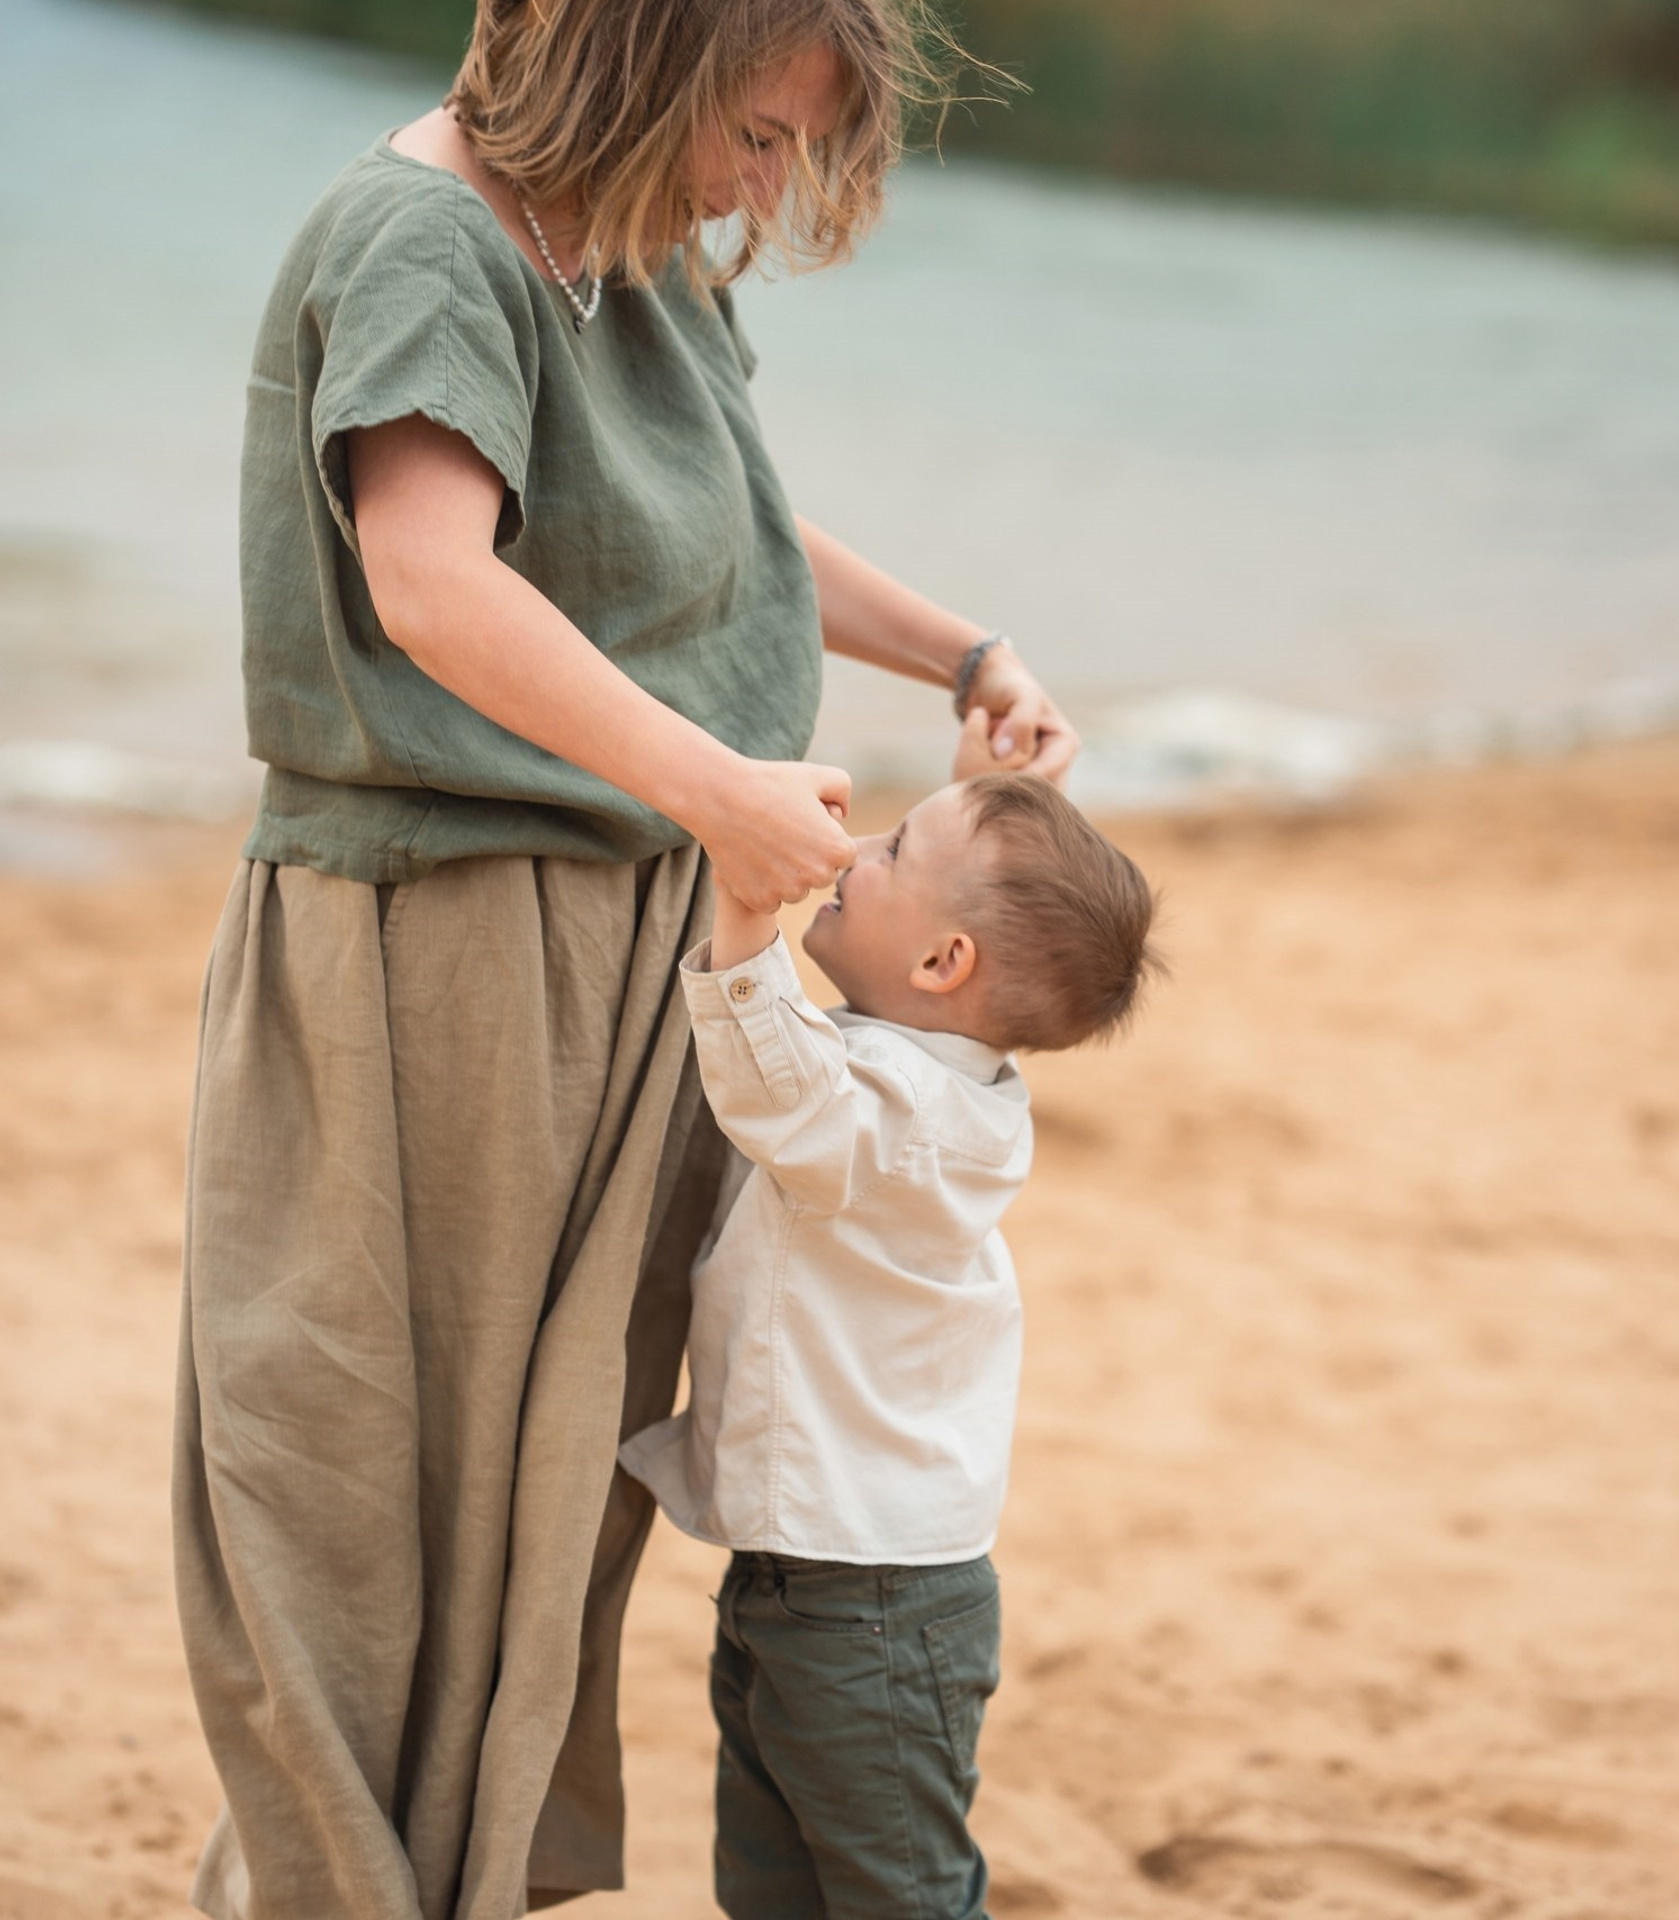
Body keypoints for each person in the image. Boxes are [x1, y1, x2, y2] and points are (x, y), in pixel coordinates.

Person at [170, 3, 1080, 1916]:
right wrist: (723, 794)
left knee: (546, 1492)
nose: (765, 186)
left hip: (630, 933)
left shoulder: (624, 246)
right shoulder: (429, 243)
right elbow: (430, 582)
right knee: (371, 1488)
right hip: (448, 938)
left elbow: (734, 527)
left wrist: (964, 653)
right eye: (752, 133)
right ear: (643, 63)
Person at [618, 741, 1162, 1920]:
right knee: (772, 1881)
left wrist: (745, 892)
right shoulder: (909, 1076)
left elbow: (785, 1090)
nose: (854, 854)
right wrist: (971, 812)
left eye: (893, 848)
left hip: (874, 1606)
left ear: (941, 959)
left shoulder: (916, 1119)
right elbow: (817, 1071)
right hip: (799, 1580)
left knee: (897, 1893)